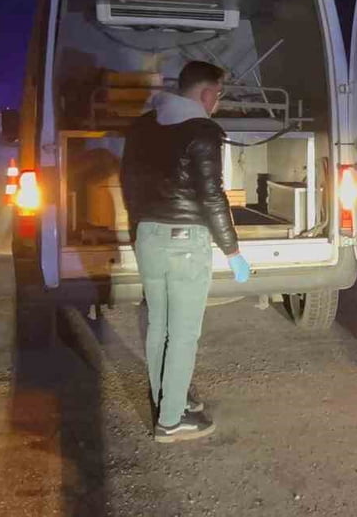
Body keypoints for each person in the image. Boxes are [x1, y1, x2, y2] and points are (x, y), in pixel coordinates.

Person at [121, 60, 252, 442]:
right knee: (181, 334)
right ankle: (171, 421)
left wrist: (138, 231)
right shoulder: (203, 130)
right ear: (208, 93)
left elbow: (127, 180)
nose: (218, 103)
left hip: (148, 235)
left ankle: (170, 398)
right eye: (219, 95)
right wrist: (232, 251)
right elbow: (212, 194)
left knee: (159, 325)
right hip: (185, 243)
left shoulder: (144, 124)